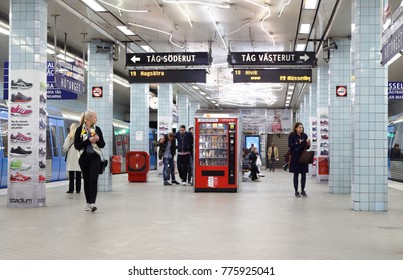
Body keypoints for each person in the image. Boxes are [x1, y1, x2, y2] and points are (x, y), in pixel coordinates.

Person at [74, 110, 105, 212]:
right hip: (83, 158)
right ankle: (88, 203)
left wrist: (98, 139)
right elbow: (77, 146)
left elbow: (102, 145)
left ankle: (92, 203)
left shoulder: (97, 129)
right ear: (88, 118)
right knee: (86, 180)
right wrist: (88, 141)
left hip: (95, 157)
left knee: (93, 179)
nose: (96, 119)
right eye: (95, 117)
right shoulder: (80, 130)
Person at [288, 122, 311, 197]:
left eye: (302, 127)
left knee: (303, 174)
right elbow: (290, 145)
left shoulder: (304, 135)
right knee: (296, 174)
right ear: (296, 128)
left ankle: (303, 190)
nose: (301, 129)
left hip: (303, 156)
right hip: (295, 157)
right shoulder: (292, 135)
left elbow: (306, 148)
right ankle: (296, 191)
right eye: (299, 127)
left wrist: (308, 144)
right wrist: (297, 142)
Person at [63, 123, 81, 193]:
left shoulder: (69, 137)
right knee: (78, 174)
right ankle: (78, 189)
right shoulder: (80, 137)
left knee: (71, 175)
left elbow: (65, 147)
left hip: (71, 158)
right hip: (79, 157)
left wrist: (66, 150)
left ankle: (71, 189)